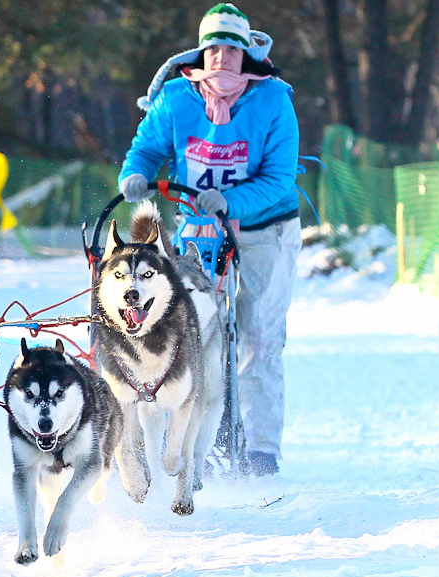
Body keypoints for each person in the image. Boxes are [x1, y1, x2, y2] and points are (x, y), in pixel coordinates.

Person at [118, 3, 301, 476]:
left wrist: (231, 202)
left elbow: (280, 178)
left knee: (258, 335)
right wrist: (135, 175)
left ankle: (259, 449)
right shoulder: (176, 97)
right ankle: (203, 430)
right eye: (213, 48)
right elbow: (146, 148)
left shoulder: (272, 100)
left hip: (266, 229)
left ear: (246, 55)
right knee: (193, 330)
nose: (222, 57)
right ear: (201, 53)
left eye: (231, 49)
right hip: (198, 229)